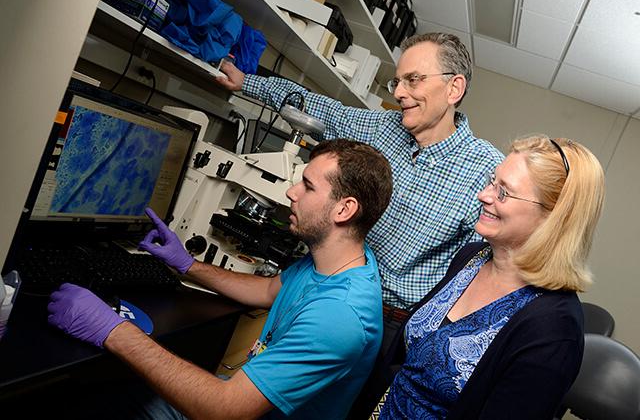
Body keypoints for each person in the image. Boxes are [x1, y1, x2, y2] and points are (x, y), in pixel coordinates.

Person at [47, 139, 394, 419]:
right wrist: (187, 265)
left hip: (228, 407)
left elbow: (223, 410)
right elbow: (271, 289)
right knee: (101, 392)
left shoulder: (340, 317)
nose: (291, 192)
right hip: (234, 394)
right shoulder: (340, 262)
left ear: (344, 210)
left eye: (307, 186)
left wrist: (113, 330)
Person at [216, 32, 504, 314]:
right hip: (329, 287)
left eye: (413, 79)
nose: (400, 93)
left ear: (454, 88)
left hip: (391, 317)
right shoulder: (385, 127)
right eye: (398, 81)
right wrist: (246, 83)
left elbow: (476, 272)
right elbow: (326, 111)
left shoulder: (487, 171)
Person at [364, 136, 605, 419]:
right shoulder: (471, 257)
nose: (484, 195)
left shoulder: (554, 328)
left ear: (552, 218)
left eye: (504, 192)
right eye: (492, 181)